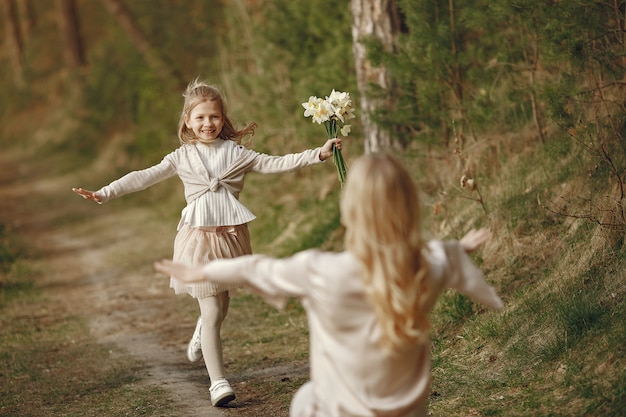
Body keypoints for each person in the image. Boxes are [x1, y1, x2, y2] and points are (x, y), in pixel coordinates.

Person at [154, 153, 504, 417]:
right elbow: (442, 255)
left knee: (305, 400)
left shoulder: (322, 271)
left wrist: (205, 272)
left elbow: (259, 268)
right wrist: (463, 248)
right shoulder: (425, 269)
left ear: (349, 209)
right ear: (411, 208)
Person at [73, 78, 342, 407]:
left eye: (214, 117)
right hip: (197, 239)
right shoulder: (181, 157)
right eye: (199, 118)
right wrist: (106, 192)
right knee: (213, 308)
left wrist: (319, 153)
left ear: (222, 118)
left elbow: (277, 162)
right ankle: (218, 382)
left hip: (230, 237)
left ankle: (203, 329)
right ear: (187, 120)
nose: (207, 123)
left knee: (220, 307)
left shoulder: (236, 153)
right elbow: (143, 176)